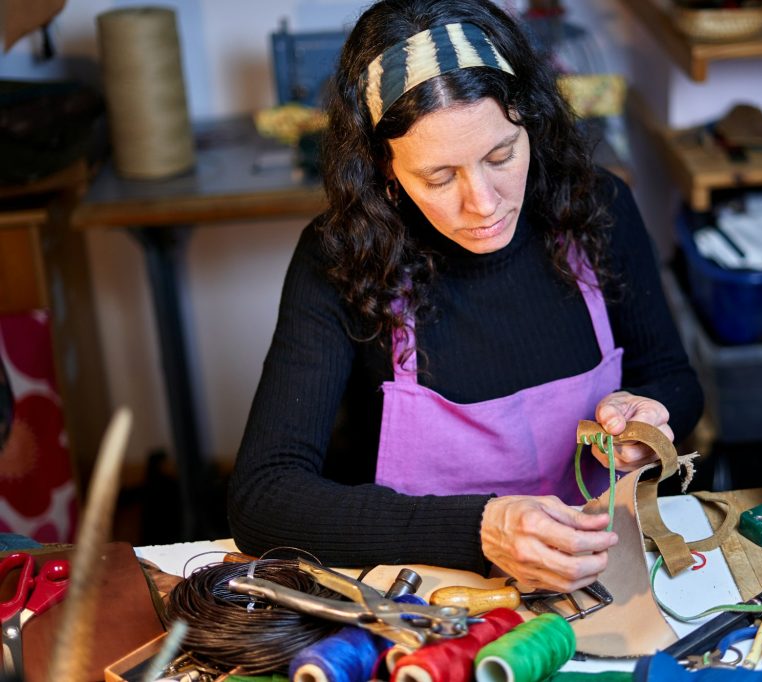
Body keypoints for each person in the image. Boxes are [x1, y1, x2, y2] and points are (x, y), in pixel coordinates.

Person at [227, 0, 703, 593]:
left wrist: (649, 421)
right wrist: (479, 527)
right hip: (430, 598)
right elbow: (263, 498)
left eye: (501, 155)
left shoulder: (596, 209)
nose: (483, 203)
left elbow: (675, 381)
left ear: (530, 120)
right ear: (385, 167)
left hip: (601, 575)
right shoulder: (341, 259)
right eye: (440, 176)